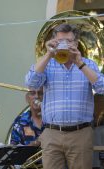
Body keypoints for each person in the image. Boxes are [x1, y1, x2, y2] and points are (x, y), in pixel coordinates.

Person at [25, 23, 104, 169]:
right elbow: (31, 84)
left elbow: (102, 88)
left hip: (81, 133)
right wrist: (49, 54)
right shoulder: (47, 64)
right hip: (52, 133)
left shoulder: (88, 64)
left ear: (76, 43)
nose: (65, 45)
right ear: (54, 42)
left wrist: (80, 64)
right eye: (61, 41)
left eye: (69, 41)